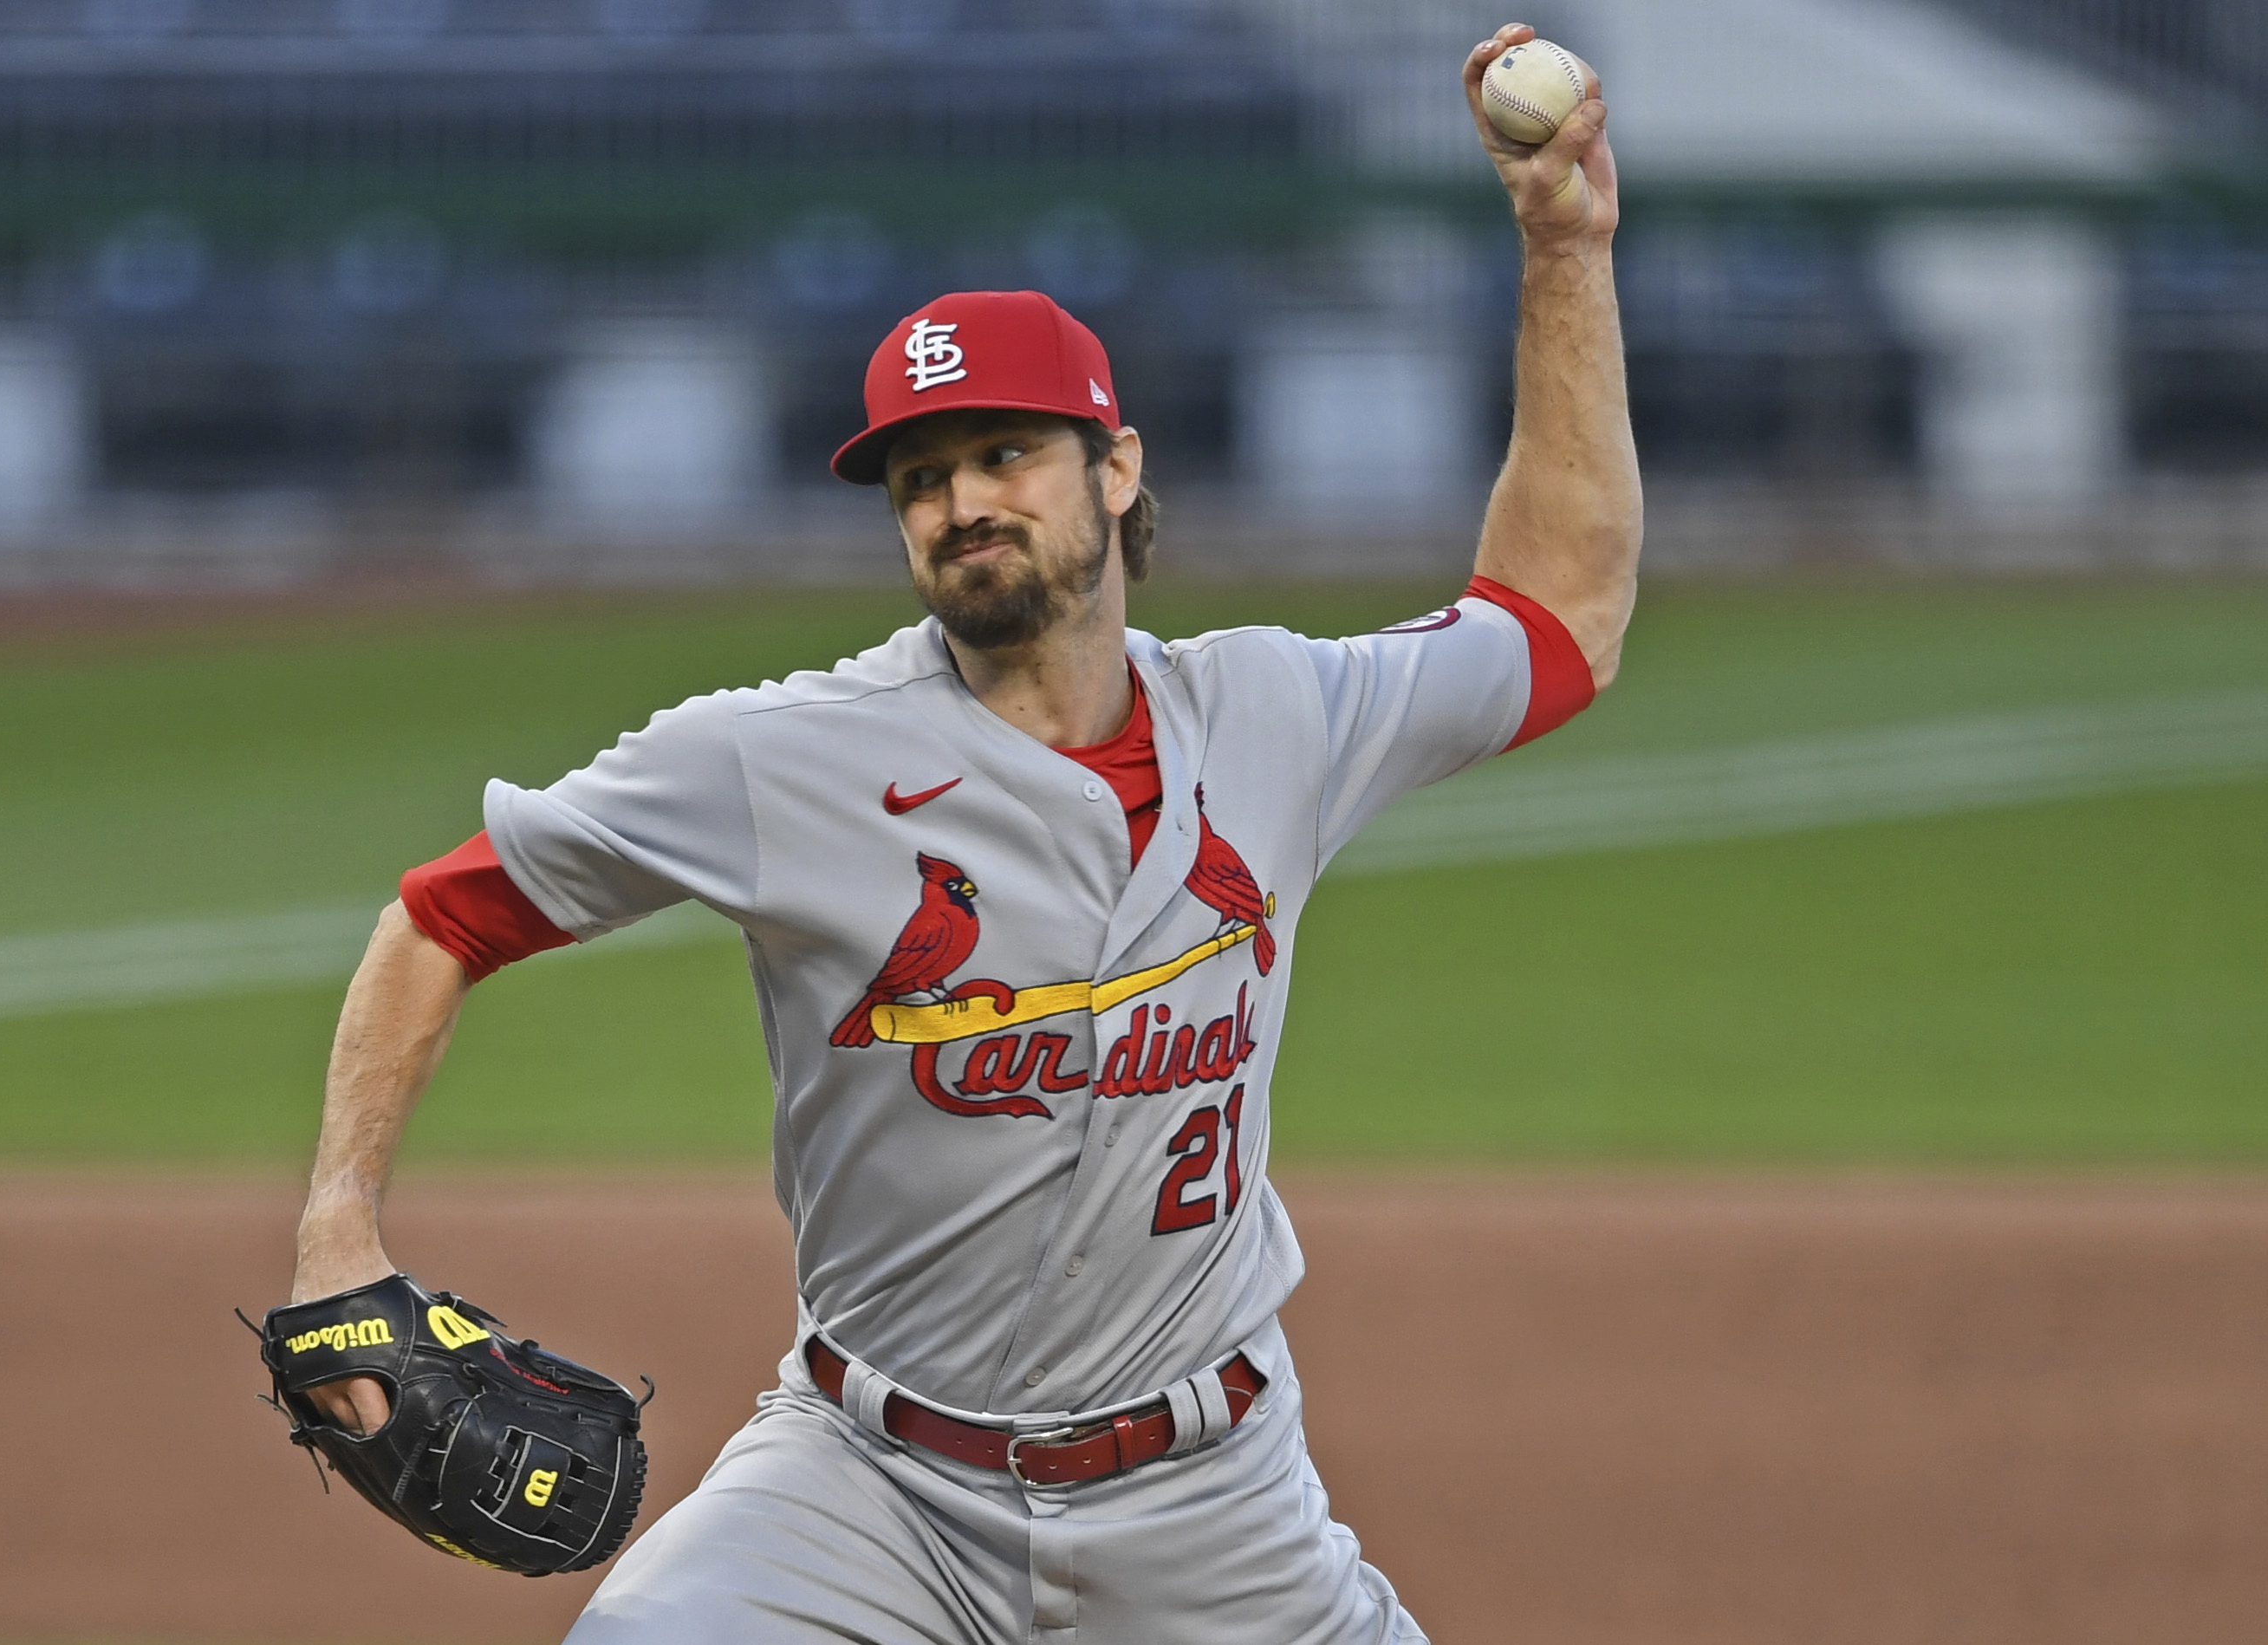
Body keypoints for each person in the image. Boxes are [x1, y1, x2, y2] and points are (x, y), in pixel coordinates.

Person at [286, 23, 1636, 1642]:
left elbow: (1557, 619)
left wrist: (1564, 249)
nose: (960, 502)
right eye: (919, 477)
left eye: (1005, 453)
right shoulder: (781, 756)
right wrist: (338, 1229)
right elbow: (449, 914)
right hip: (868, 1483)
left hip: (1212, 1505)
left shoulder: (1277, 712)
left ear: (1116, 469)